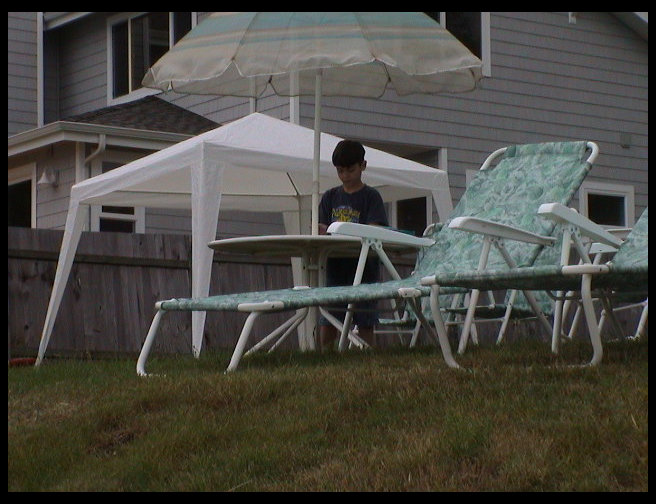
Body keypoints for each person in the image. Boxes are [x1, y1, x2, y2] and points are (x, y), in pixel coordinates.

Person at [318, 139, 389, 351]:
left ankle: (367, 353)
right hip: (335, 264)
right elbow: (321, 227)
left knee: (365, 314)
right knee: (330, 313)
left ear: (362, 166)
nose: (345, 176)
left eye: (350, 170)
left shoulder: (371, 197)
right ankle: (325, 354)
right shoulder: (330, 197)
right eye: (340, 171)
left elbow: (374, 229)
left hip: (365, 265)